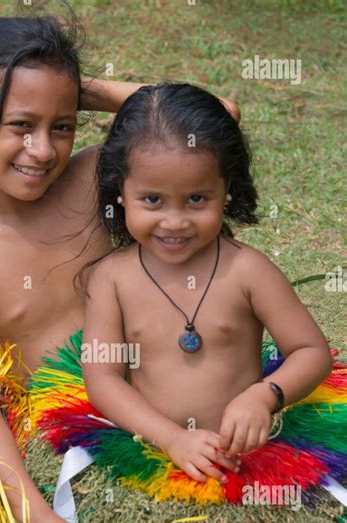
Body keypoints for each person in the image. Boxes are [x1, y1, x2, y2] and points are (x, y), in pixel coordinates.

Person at [0, 14, 242, 523]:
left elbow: (217, 114)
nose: (42, 150)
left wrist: (71, 86)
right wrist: (41, 521)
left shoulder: (93, 176)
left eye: (61, 126)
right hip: (72, 434)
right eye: (20, 124)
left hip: (164, 394)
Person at [82, 82, 333, 487]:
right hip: (155, 449)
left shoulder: (247, 270)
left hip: (244, 455)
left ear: (227, 191)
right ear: (121, 192)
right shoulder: (111, 278)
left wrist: (265, 396)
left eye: (197, 199)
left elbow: (311, 351)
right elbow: (103, 379)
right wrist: (172, 439)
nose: (175, 221)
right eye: (152, 200)